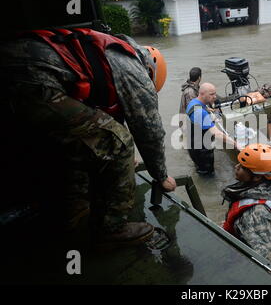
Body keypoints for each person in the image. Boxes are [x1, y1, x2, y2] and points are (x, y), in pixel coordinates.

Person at [0, 28, 176, 246]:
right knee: (118, 142)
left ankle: (73, 209)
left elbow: (101, 116)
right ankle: (112, 228)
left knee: (80, 140)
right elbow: (148, 130)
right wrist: (161, 175)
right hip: (29, 79)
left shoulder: (109, 53)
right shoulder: (134, 69)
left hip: (19, 72)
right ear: (150, 71)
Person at [221, 143, 271, 266]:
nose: (236, 167)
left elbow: (263, 257)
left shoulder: (254, 214)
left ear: (256, 177)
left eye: (242, 167)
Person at [186, 82, 238, 175]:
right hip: (202, 151)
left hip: (193, 144)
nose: (215, 97)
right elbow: (217, 134)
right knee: (208, 174)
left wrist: (207, 111)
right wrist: (235, 144)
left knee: (199, 167)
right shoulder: (200, 112)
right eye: (211, 94)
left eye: (215, 93)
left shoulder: (194, 102)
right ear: (202, 94)